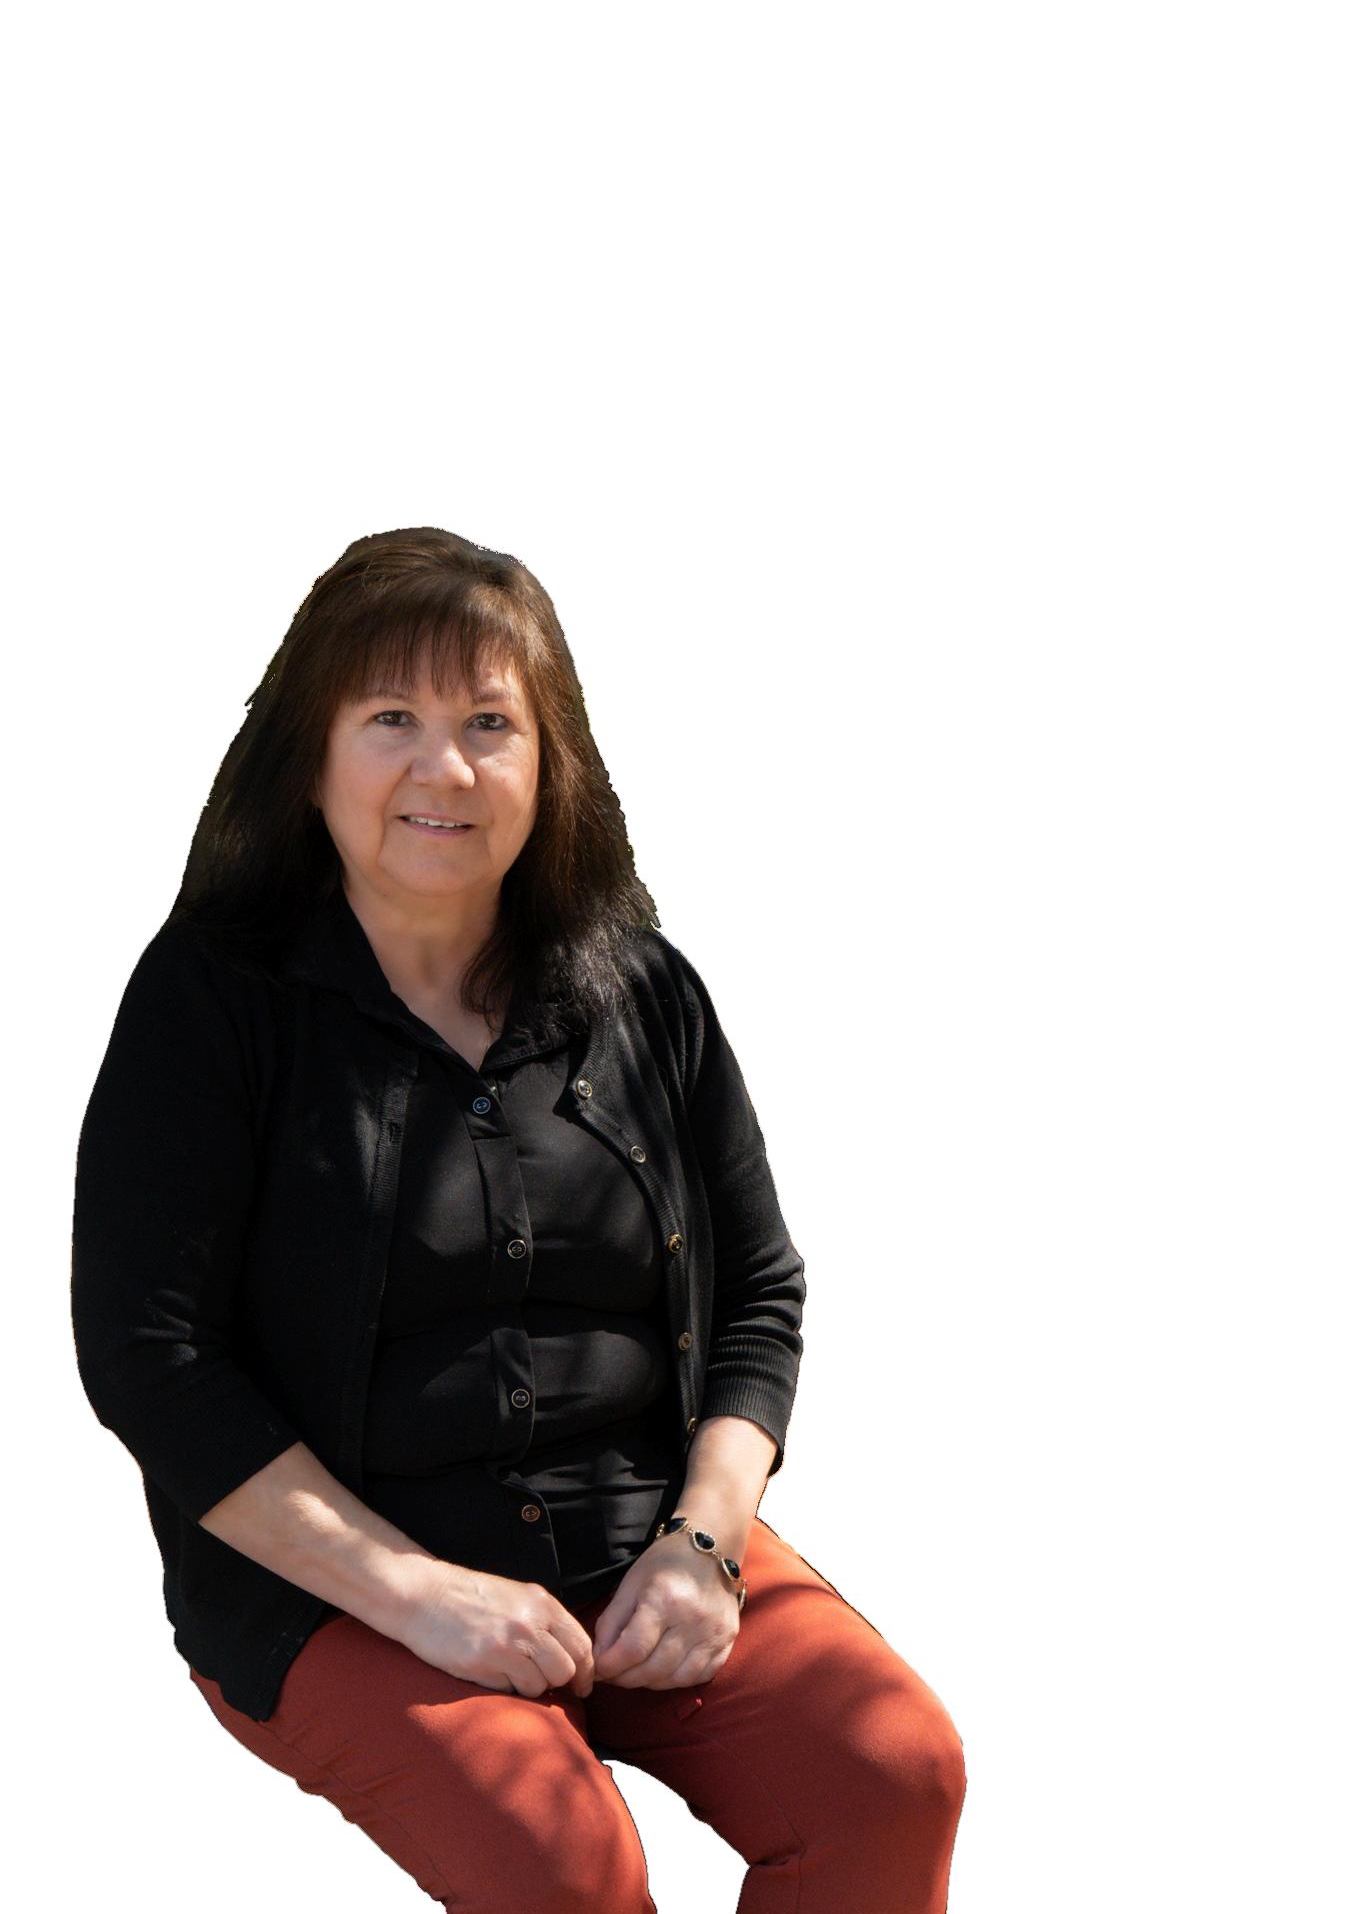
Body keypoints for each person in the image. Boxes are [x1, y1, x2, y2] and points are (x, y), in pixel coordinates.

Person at [71, 526, 967, 1912]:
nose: (444, 768)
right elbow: (151, 1357)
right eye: (391, 719)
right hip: (337, 1573)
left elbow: (759, 1291)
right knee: (565, 1866)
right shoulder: (210, 1002)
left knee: (892, 1770)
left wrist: (702, 1547)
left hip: (637, 1541)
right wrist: (413, 1591)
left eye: (490, 723)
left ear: (552, 763)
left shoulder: (644, 990)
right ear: (308, 757)